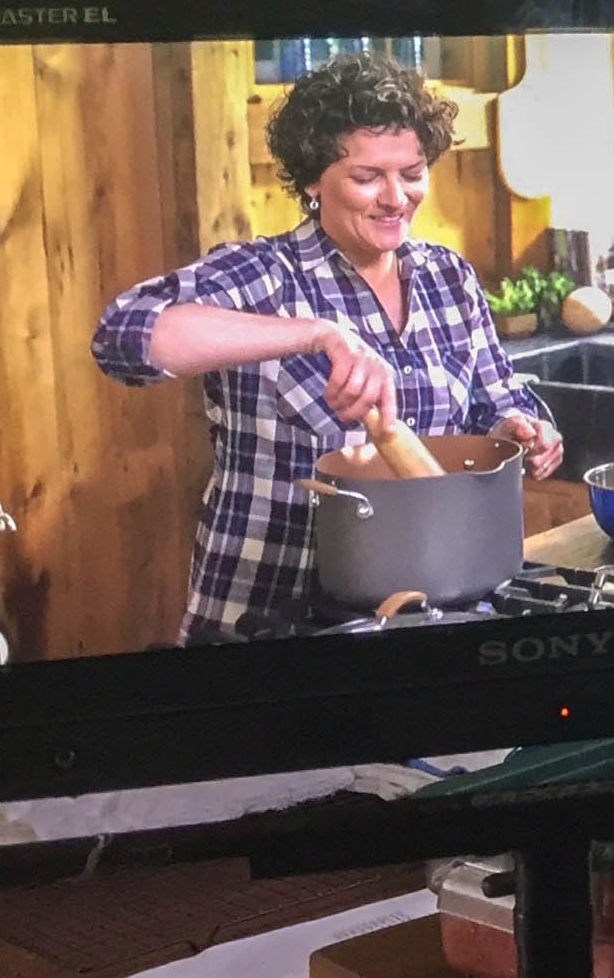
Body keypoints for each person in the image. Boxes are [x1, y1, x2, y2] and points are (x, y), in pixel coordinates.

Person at [95, 51, 564, 641]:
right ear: (314, 179)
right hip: (268, 620)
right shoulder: (266, 276)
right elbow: (123, 336)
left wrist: (520, 429)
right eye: (367, 177)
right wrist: (315, 333)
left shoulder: (449, 277)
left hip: (425, 607)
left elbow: (493, 402)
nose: (396, 198)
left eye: (412, 172)